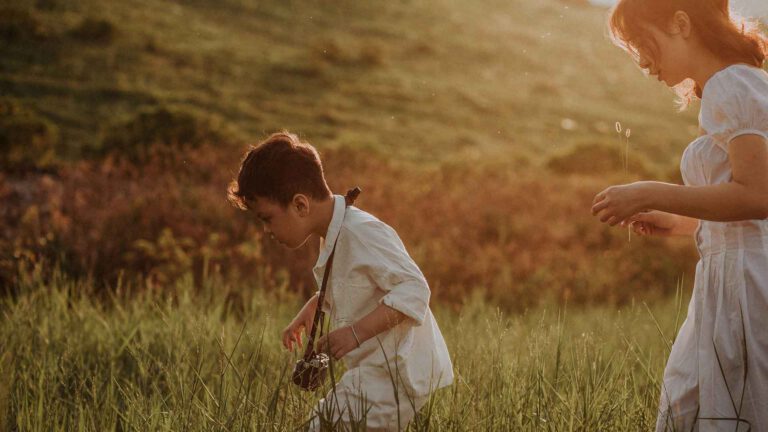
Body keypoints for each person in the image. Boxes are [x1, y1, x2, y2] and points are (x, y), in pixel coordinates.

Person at [593, 1, 768, 430]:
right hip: (726, 279)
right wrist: (679, 221)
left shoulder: (733, 86)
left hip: (747, 283)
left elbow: (758, 196)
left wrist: (652, 191)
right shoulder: (735, 85)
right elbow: (743, 208)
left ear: (681, 22)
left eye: (640, 43)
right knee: (695, 408)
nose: (641, 61)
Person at [227, 131, 453, 431]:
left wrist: (355, 333)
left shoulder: (361, 232)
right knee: (324, 423)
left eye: (266, 218)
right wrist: (314, 305)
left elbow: (414, 289)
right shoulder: (336, 232)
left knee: (323, 425)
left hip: (398, 372)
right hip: (376, 370)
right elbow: (359, 283)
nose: (267, 230)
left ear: (300, 205)